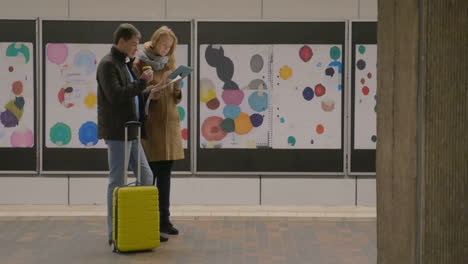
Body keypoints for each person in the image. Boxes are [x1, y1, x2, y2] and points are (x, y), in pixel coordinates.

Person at [96, 23, 168, 244]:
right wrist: (142, 82)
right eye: (135, 44)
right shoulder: (108, 64)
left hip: (132, 130)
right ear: (122, 42)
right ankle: (115, 232)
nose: (137, 48)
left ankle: (139, 225)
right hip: (118, 132)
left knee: (146, 177)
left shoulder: (124, 63)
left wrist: (148, 93)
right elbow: (116, 95)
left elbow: (132, 95)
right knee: (117, 180)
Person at [133, 26, 184, 236]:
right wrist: (150, 91)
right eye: (163, 45)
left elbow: (174, 97)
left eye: (169, 47)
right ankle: (148, 221)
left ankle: (164, 219)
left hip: (170, 126)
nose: (166, 50)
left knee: (166, 175)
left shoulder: (170, 63)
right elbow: (135, 91)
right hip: (152, 126)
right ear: (154, 42)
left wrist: (178, 86)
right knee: (149, 176)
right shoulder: (139, 63)